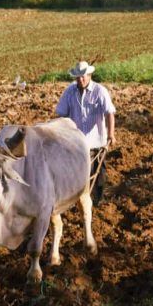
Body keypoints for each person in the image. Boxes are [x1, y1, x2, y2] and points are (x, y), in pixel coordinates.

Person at [55, 61, 116, 204]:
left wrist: (111, 134)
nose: (80, 80)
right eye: (78, 77)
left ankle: (98, 201)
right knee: (76, 176)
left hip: (95, 143)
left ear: (89, 75)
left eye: (83, 76)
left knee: (98, 175)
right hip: (75, 143)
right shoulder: (69, 92)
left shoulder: (99, 91)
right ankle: (77, 200)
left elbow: (109, 114)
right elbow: (62, 115)